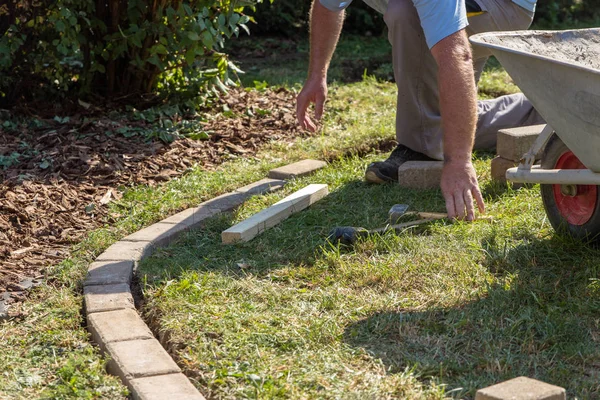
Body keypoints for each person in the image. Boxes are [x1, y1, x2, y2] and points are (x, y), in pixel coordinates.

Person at [296, 0, 543, 221]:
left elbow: (457, 55)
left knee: (405, 13)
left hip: (504, 6)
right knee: (445, 123)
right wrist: (317, 74)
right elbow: (328, 5)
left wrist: (459, 163)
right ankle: (536, 110)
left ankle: (419, 149)